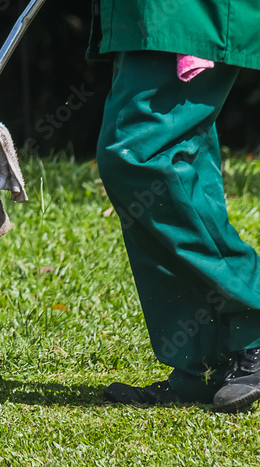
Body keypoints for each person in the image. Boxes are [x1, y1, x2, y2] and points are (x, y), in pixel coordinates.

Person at [89, 0, 260, 412]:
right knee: (184, 165)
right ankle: (206, 360)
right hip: (150, 16)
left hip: (188, 14)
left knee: (139, 155)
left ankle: (252, 313)